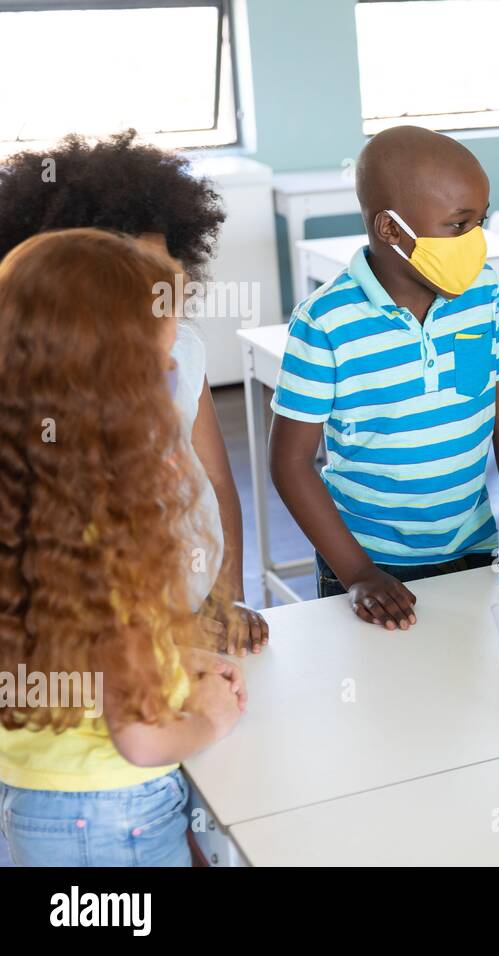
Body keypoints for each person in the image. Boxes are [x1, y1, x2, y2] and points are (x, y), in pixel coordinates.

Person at [0, 230, 244, 866]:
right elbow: (140, 740)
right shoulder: (108, 535)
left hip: (38, 799)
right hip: (112, 819)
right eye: (160, 367)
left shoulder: (33, 503)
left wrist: (164, 655)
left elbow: (71, 647)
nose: (172, 377)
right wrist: (210, 719)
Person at [269, 126, 499, 628]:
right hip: (366, 561)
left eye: (481, 222)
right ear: (391, 229)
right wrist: (358, 573)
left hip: (471, 546)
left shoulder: (483, 295)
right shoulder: (325, 322)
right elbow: (291, 463)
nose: (474, 242)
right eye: (458, 225)